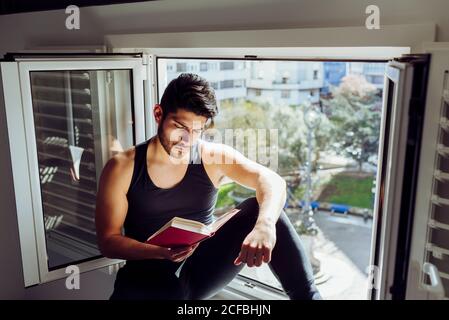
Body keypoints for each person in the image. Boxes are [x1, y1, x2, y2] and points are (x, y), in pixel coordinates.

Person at [95, 73, 322, 300]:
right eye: (179, 127)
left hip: (199, 271)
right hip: (146, 277)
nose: (187, 140)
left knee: (259, 209)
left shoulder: (211, 156)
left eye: (196, 131)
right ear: (158, 114)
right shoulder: (122, 167)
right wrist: (159, 252)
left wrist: (265, 225)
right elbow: (108, 242)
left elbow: (273, 180)